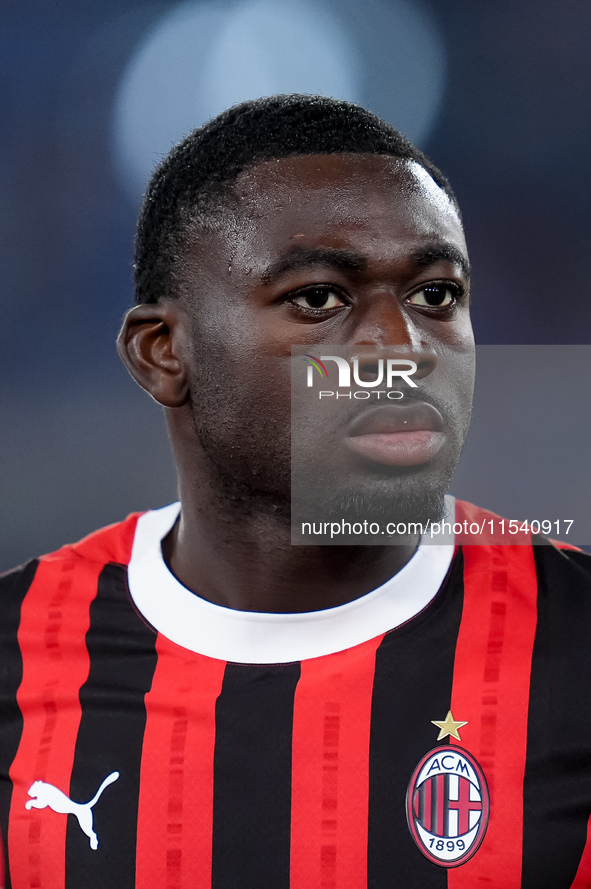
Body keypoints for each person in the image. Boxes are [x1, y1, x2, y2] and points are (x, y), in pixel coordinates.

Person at [1, 94, 590, 889]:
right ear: (162, 353)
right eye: (318, 298)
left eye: (435, 295)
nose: (399, 346)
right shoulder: (18, 655)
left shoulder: (574, 640)